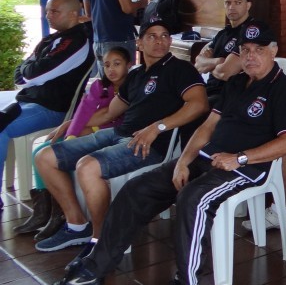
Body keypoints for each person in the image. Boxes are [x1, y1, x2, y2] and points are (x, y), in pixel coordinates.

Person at [39, 20, 286, 285]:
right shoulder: (236, 83)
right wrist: (184, 161)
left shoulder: (285, 91)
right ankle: (94, 269)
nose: (251, 56)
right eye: (246, 50)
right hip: (206, 159)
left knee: (192, 198)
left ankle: (187, 282)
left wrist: (239, 157)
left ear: (273, 51)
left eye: (259, 50)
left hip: (244, 168)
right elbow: (207, 127)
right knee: (136, 189)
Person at [33, 17, 209, 252]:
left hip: (150, 144)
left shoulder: (180, 69)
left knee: (88, 166)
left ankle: (101, 241)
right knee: (45, 157)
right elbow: (109, 112)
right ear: (139, 43)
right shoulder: (136, 75)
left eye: (164, 36)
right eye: (152, 36)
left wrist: (157, 127)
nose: (160, 41)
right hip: (118, 134)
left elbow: (199, 104)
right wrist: (70, 124)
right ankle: (77, 225)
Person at [15, 47, 130, 236]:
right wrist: (72, 134)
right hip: (92, 129)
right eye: (107, 65)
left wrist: (82, 126)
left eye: (117, 64)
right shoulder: (100, 86)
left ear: (128, 65)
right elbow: (84, 111)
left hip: (108, 135)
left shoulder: (132, 86)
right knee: (43, 150)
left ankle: (61, 214)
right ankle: (47, 211)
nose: (111, 69)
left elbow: (114, 117)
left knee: (56, 154)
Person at [0, 0, 93, 211]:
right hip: (32, 100)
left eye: (55, 11)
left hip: (52, 109)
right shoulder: (52, 39)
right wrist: (29, 70)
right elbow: (21, 73)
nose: (48, 15)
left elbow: (33, 73)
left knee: (1, 128)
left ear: (73, 14)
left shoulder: (76, 41)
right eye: (47, 11)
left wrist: (29, 70)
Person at [194, 0, 255, 106]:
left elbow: (226, 73)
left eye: (238, 3)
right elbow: (198, 64)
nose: (232, 7)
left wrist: (210, 65)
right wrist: (218, 61)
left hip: (230, 96)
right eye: (228, 3)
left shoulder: (251, 32)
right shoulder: (222, 33)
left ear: (248, 5)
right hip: (208, 90)